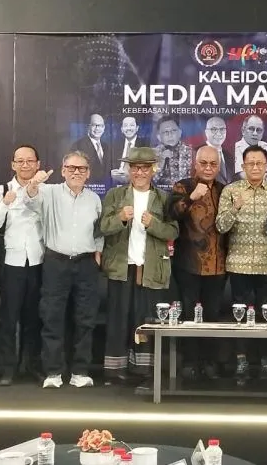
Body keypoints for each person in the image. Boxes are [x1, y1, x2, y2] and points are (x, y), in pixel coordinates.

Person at [100, 147, 179, 385]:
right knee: (118, 319)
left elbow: (173, 231)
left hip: (151, 268)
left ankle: (143, 369)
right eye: (135, 168)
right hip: (121, 267)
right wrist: (120, 218)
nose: (140, 173)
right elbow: (103, 227)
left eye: (145, 168)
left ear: (153, 169)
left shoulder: (164, 198)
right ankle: (114, 370)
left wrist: (153, 224)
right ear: (129, 170)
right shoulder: (115, 195)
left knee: (145, 319)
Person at [25, 151, 104, 389]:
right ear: (62, 171)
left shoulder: (94, 199)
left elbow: (99, 231)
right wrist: (34, 183)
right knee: (52, 317)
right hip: (56, 262)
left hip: (86, 263)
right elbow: (30, 200)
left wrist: (98, 252)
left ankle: (80, 371)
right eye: (71, 168)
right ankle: (53, 372)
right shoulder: (49, 192)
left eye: (81, 169)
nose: (76, 172)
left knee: (86, 319)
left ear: (88, 173)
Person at [217, 145, 267, 381]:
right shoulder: (231, 190)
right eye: (250, 163)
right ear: (242, 166)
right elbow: (221, 226)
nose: (255, 167)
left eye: (259, 163)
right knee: (240, 315)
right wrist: (236, 206)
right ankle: (241, 361)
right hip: (239, 265)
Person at [0, 145, 45, 386]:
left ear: (38, 164)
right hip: (11, 263)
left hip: (39, 261)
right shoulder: (2, 190)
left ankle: (31, 365)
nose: (25, 165)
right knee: (9, 319)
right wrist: (5, 203)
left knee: (34, 319)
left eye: (30, 161)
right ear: (12, 165)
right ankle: (7, 369)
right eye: (20, 161)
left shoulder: (46, 190)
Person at [169, 146, 227, 380]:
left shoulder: (224, 189)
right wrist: (191, 198)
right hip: (188, 263)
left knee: (212, 315)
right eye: (204, 163)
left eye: (213, 164)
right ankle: (190, 362)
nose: (208, 168)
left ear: (218, 166)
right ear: (195, 163)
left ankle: (210, 362)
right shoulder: (183, 186)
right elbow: (172, 214)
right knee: (189, 313)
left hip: (218, 264)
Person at [153, 117, 193, 189]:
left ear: (180, 133)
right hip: (159, 194)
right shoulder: (153, 154)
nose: (170, 135)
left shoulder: (191, 152)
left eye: (173, 131)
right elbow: (150, 182)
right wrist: (161, 163)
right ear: (159, 137)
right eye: (165, 132)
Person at [233, 115, 267, 181]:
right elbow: (242, 175)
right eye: (251, 129)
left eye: (259, 130)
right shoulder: (235, 148)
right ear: (243, 131)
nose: (255, 133)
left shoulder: (266, 147)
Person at [71, 113, 111, 181]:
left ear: (104, 128)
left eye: (101, 125)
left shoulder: (106, 146)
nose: (97, 128)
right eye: (94, 125)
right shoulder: (78, 145)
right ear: (88, 126)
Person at [196, 116, 234, 185]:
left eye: (222, 129)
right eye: (214, 129)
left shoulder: (229, 156)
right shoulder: (196, 153)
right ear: (206, 132)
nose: (219, 133)